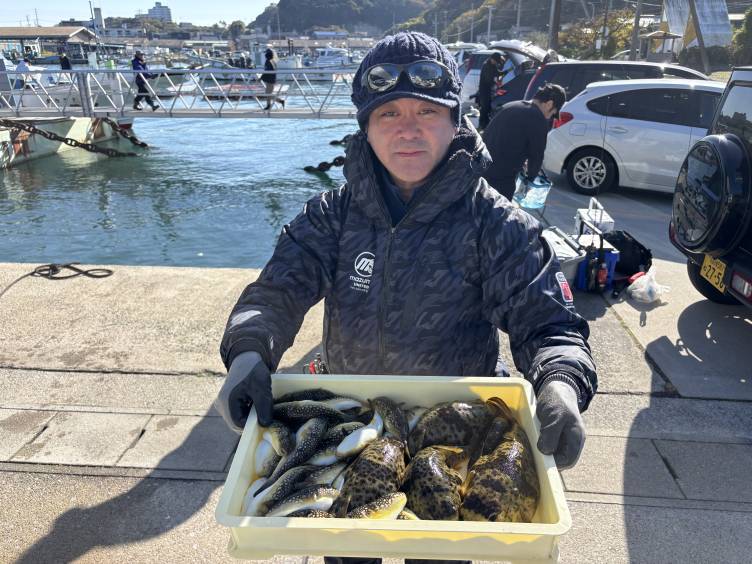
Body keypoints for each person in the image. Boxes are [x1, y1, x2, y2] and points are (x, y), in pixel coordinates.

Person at [216, 31, 596, 537]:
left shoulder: (498, 223)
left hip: (457, 432)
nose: (408, 130)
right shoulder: (331, 215)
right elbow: (274, 294)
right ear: (366, 128)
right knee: (349, 546)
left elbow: (550, 326)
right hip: (354, 422)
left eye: (427, 112)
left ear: (455, 121)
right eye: (388, 114)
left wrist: (560, 383)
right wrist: (248, 351)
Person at [482, 83, 566, 201]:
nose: (549, 117)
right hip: (501, 180)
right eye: (552, 113)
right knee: (497, 210)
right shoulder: (538, 119)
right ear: (549, 104)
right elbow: (536, 156)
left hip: (480, 168)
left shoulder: (511, 105)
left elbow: (504, 139)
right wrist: (530, 180)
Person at [476, 51, 506, 130]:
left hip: (489, 89)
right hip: (484, 90)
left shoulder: (493, 65)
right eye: (496, 61)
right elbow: (488, 79)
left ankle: (486, 125)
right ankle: (482, 125)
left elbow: (497, 73)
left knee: (488, 107)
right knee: (485, 107)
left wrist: (504, 72)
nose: (496, 63)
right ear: (492, 59)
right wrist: (496, 84)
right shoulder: (486, 66)